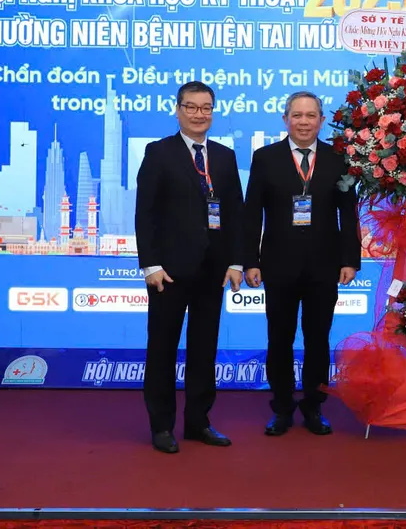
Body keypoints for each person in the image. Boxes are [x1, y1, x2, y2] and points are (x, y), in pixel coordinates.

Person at [135, 81, 245, 454]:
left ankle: (199, 423)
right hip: (168, 272)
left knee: (204, 350)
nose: (200, 114)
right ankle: (162, 427)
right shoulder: (159, 152)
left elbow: (235, 214)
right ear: (178, 110)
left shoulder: (226, 157)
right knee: (162, 349)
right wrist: (149, 265)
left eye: (206, 107)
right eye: (192, 107)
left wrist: (234, 261)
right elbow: (145, 214)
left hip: (212, 272)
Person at [244, 91, 361, 436]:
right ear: (285, 119)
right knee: (278, 339)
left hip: (324, 266)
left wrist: (350, 260)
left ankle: (313, 406)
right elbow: (252, 215)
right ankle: (281, 408)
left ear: (322, 121)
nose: (304, 122)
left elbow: (348, 213)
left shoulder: (340, 160)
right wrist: (251, 261)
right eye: (297, 115)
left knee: (317, 339)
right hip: (277, 266)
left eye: (311, 116)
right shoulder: (265, 158)